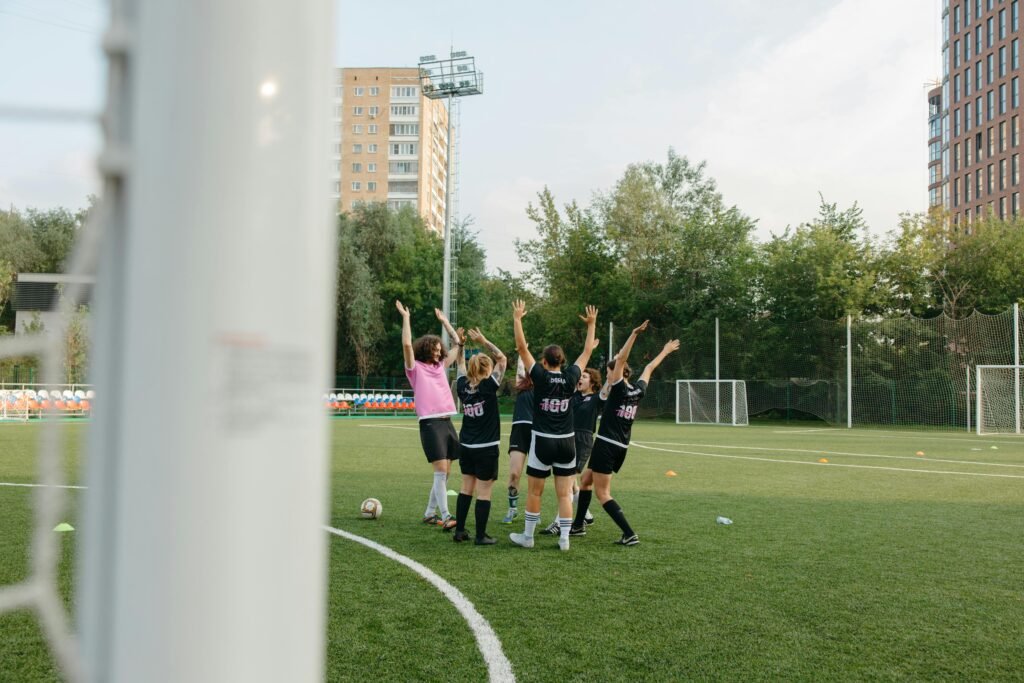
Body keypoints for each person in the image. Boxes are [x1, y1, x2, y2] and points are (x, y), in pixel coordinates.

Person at [571, 321, 679, 546]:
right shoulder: (638, 390)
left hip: (607, 444)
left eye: (609, 372)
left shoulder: (619, 388)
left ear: (618, 373)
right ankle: (578, 525)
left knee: (603, 493)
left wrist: (633, 335)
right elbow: (649, 368)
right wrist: (665, 351)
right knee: (586, 479)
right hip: (621, 445)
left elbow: (620, 360)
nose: (608, 376)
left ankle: (629, 533)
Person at [509, 300, 598, 551]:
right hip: (567, 442)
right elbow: (588, 351)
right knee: (564, 493)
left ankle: (528, 537)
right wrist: (592, 324)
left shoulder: (539, 375)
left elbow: (520, 347)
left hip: (542, 441)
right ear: (562, 361)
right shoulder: (571, 377)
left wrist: (518, 319)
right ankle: (564, 540)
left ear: (545, 362)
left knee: (535, 492)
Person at [396, 300, 463, 530]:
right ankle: (446, 516)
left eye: (438, 349)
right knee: (441, 470)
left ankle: (429, 512)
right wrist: (406, 318)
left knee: (447, 472)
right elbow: (406, 344)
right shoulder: (415, 368)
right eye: (433, 349)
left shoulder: (441, 366)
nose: (437, 352)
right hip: (430, 423)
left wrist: (445, 322)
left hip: (447, 422)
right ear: (425, 350)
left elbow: (458, 343)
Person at [452, 328, 507, 545]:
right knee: (484, 492)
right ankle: (481, 536)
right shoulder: (488, 386)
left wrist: (462, 346)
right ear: (487, 369)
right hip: (486, 447)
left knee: (466, 488)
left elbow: (460, 366)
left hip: (466, 445)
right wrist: (484, 340)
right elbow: (502, 358)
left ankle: (460, 531)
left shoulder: (464, 386)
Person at [540, 354, 602, 534]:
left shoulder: (596, 399)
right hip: (567, 438)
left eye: (584, 376)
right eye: (580, 376)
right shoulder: (573, 396)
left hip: (583, 440)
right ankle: (587, 516)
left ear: (592, 382)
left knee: (566, 483)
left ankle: (560, 523)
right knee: (569, 481)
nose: (580, 378)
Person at [501, 358, 532, 524]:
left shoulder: (545, 387)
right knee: (514, 475)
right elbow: (520, 367)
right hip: (519, 432)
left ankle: (534, 510)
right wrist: (521, 353)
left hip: (537, 432)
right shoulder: (522, 386)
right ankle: (512, 509)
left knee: (536, 478)